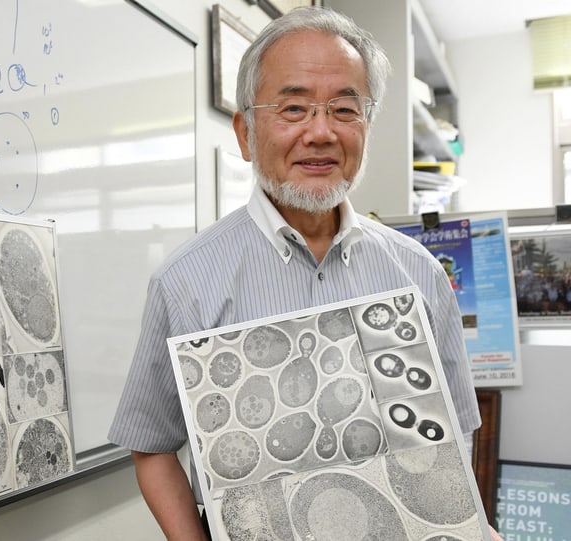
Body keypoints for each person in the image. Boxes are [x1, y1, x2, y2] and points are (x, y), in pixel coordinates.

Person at [108, 6, 500, 540]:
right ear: (246, 134)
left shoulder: (420, 274)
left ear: (366, 127)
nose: (321, 132)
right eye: (294, 108)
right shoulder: (187, 281)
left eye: (344, 109)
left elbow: (454, 435)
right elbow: (151, 445)